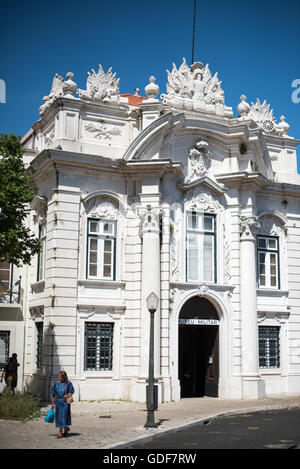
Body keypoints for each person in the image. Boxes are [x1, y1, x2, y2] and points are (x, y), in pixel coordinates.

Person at [51, 371, 74, 438]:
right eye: (59, 377)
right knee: (59, 416)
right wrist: (52, 404)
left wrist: (68, 395)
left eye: (60, 377)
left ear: (64, 377)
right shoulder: (56, 384)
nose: (59, 378)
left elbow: (72, 391)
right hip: (58, 402)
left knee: (63, 416)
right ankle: (66, 428)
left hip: (65, 402)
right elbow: (53, 394)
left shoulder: (68, 383)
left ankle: (60, 432)